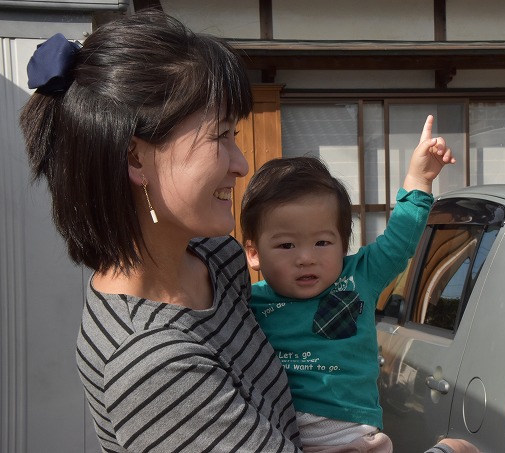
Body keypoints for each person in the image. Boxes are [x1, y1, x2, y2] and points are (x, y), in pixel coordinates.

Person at [20, 9, 480, 453]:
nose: (241, 164)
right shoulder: (150, 363)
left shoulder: (215, 258)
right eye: (221, 136)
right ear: (136, 158)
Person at [241, 115, 454, 452]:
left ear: (344, 243)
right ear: (254, 253)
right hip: (276, 431)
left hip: (352, 434)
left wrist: (419, 179)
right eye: (286, 245)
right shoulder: (245, 302)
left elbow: (399, 241)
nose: (306, 258)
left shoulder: (357, 277)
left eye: (322, 243)